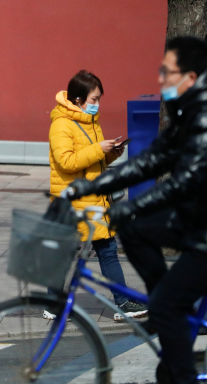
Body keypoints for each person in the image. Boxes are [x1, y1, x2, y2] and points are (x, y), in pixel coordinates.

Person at [69, 36, 207, 384]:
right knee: (135, 229)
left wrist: (127, 207)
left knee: (167, 303)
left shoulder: (204, 115)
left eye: (168, 72)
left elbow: (184, 182)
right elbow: (153, 160)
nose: (161, 78)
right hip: (194, 219)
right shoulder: (186, 109)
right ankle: (164, 309)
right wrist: (95, 186)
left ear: (190, 77)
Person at [47, 70, 147, 320]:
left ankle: (121, 303)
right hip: (74, 201)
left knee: (107, 249)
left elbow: (92, 160)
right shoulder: (61, 124)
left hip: (93, 199)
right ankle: (53, 305)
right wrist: (97, 149)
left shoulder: (91, 122)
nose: (97, 104)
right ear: (79, 99)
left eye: (99, 98)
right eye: (94, 99)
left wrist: (111, 152)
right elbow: (67, 162)